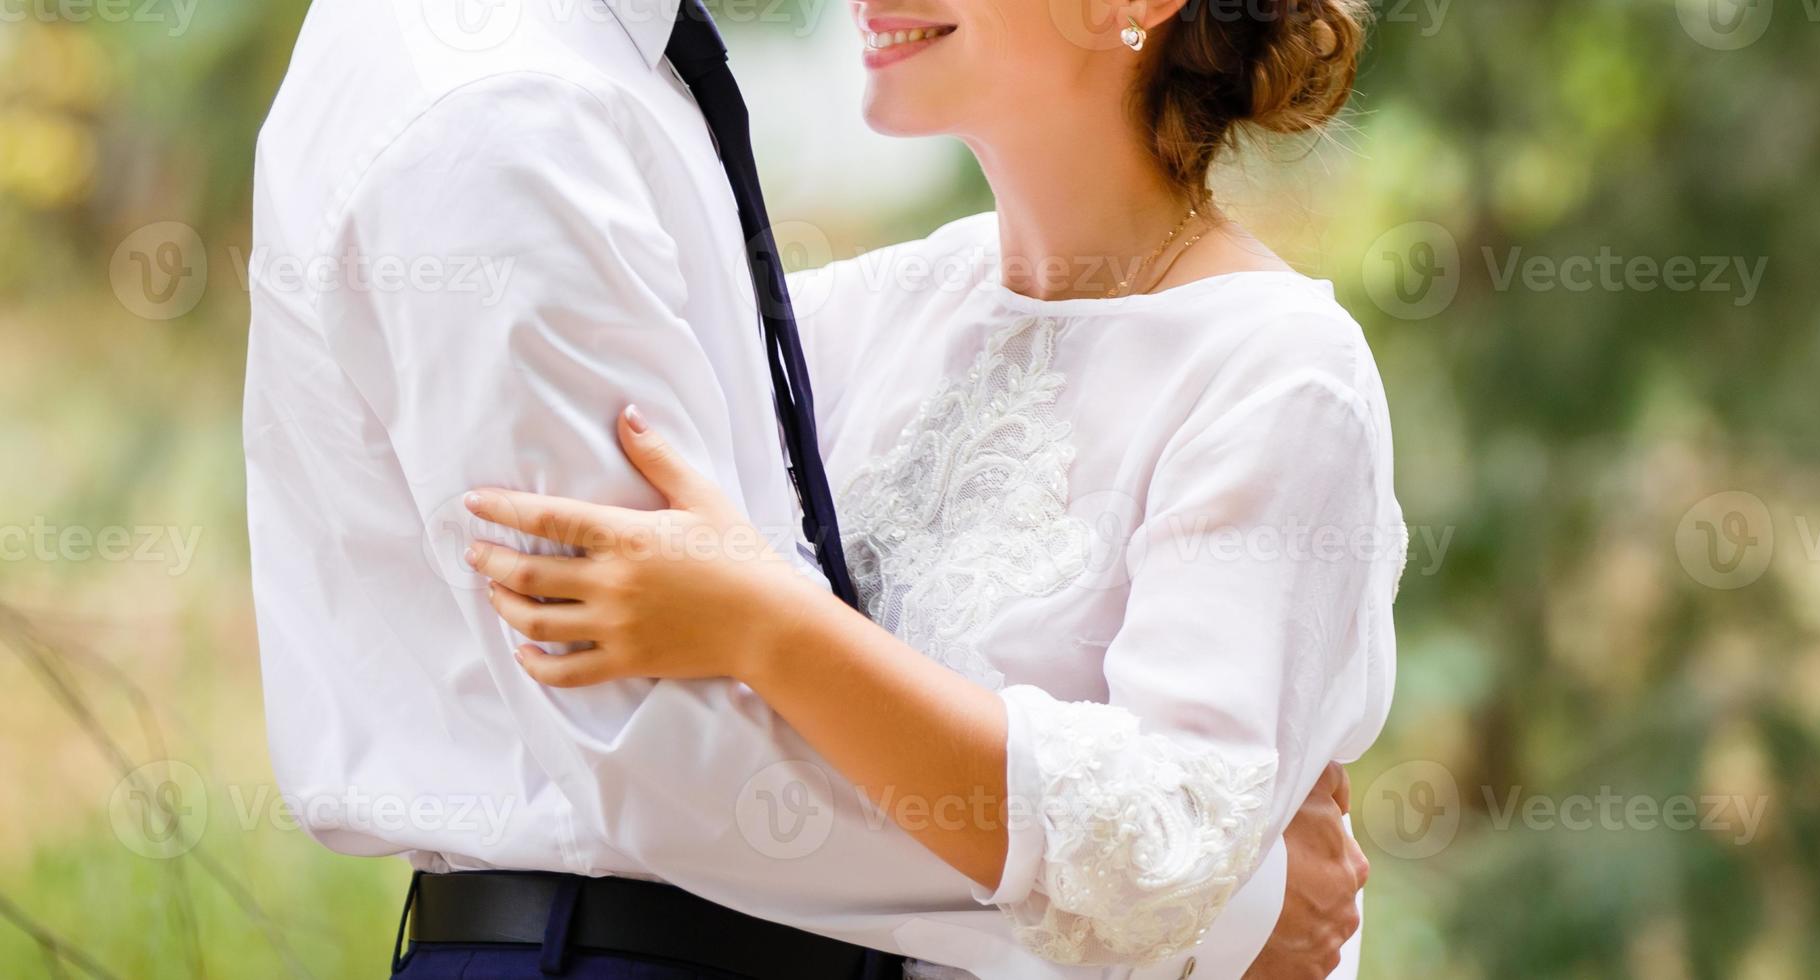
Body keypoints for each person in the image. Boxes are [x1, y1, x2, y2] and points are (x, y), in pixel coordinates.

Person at [245, 0, 1380, 974]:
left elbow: (1179, 820)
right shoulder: (857, 319)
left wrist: (766, 624)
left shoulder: (1276, 374)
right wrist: (1237, 909)